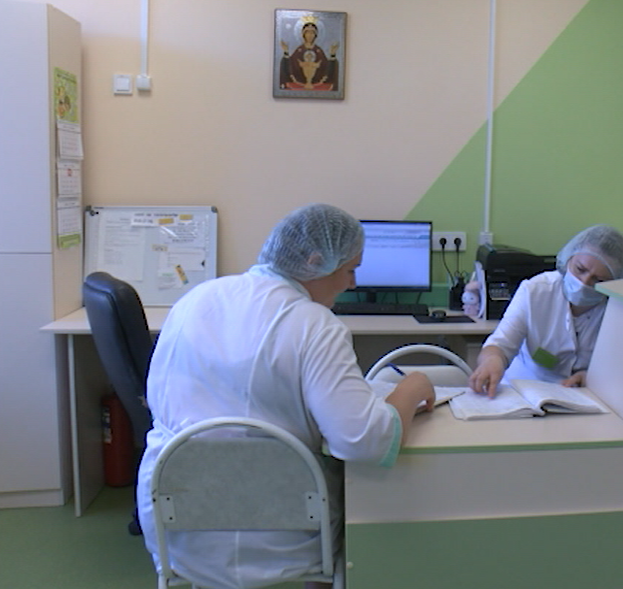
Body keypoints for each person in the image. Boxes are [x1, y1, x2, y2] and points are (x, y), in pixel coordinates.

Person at [136, 203, 434, 589]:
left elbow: (163, 399)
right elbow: (364, 441)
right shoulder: (316, 325)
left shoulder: (196, 299)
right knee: (351, 496)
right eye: (350, 270)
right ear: (315, 262)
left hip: (177, 527)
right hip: (283, 535)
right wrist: (412, 388)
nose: (353, 284)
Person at [468, 225, 623, 397]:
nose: (584, 282)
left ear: (615, 282)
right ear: (568, 258)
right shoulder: (536, 291)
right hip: (522, 393)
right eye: (580, 269)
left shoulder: (619, 311)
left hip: (583, 399)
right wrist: (492, 360)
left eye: (598, 280)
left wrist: (592, 379)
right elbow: (500, 344)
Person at [279, 20, 339, 91]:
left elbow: (326, 68)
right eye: (307, 33)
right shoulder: (299, 50)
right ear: (303, 35)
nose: (310, 35)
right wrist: (286, 52)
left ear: (315, 35)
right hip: (299, 84)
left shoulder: (319, 51)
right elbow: (290, 65)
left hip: (317, 85)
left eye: (312, 33)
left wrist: (332, 54)